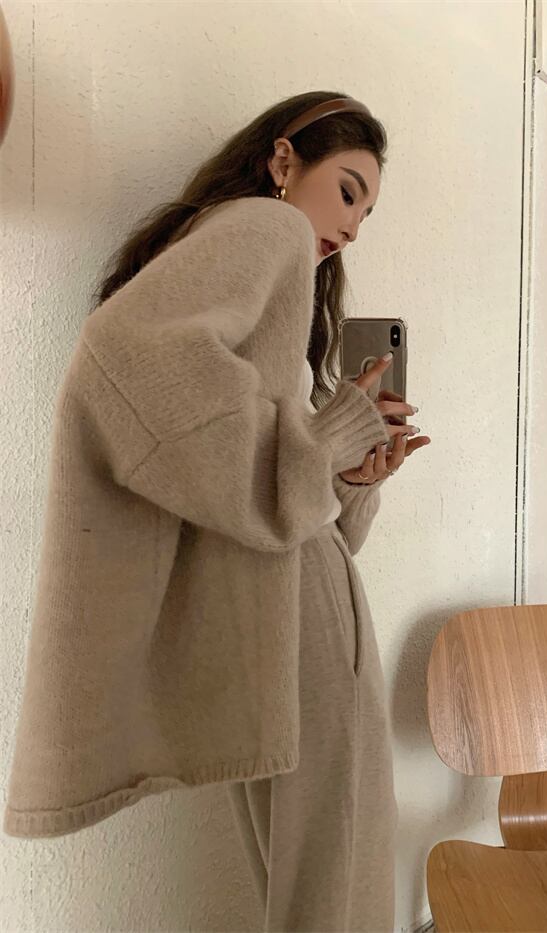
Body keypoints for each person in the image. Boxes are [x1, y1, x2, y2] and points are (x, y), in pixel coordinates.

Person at [3, 91, 430, 931]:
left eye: (367, 212)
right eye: (347, 191)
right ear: (283, 161)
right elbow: (125, 354)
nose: (352, 226)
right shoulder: (268, 228)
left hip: (282, 604)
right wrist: (330, 433)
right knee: (339, 870)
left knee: (309, 873)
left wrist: (351, 470)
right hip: (297, 615)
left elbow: (293, 507)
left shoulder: (255, 256)